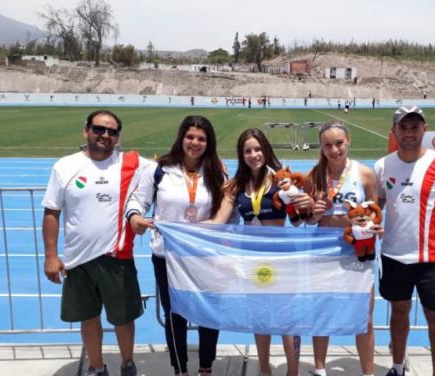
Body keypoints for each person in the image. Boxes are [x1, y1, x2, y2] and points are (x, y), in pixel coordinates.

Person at [42, 109, 150, 376]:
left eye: (112, 132)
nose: (106, 135)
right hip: (78, 260)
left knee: (123, 318)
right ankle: (97, 366)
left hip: (117, 257)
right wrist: (51, 256)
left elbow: (174, 166)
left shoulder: (131, 163)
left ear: (118, 137)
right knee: (88, 318)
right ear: (86, 131)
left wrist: (212, 164)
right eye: (99, 129)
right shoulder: (64, 166)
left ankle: (128, 363)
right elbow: (51, 212)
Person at [125, 115, 225, 376]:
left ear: (209, 143)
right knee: (174, 314)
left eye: (201, 139)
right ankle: (180, 370)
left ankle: (206, 368)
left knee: (207, 312)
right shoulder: (158, 169)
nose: (195, 143)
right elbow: (137, 199)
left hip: (202, 255)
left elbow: (227, 211)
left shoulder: (216, 172)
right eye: (190, 137)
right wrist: (135, 216)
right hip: (167, 255)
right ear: (181, 138)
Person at [374, 106, 435, 376]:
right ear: (394, 131)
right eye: (403, 127)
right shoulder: (383, 165)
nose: (409, 133)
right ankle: (396, 367)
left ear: (424, 129)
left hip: (433, 258)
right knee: (399, 312)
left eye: (415, 127)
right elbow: (375, 206)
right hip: (394, 256)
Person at [211, 128, 314, 376]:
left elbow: (301, 222)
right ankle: (264, 369)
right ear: (241, 155)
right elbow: (219, 222)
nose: (253, 154)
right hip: (252, 260)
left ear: (266, 150)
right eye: (247, 151)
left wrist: (305, 205)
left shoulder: (281, 179)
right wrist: (179, 228)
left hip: (282, 257)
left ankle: (292, 371)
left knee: (287, 317)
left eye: (257, 149)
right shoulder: (235, 186)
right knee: (259, 316)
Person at [306, 120, 383, 376]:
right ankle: (319, 369)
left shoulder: (365, 174)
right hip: (324, 252)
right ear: (321, 147)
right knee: (322, 312)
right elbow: (305, 217)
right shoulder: (314, 174)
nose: (334, 150)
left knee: (364, 316)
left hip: (357, 254)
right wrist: (313, 215)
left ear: (348, 140)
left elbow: (375, 212)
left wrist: (374, 226)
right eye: (327, 145)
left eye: (339, 143)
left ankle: (368, 372)